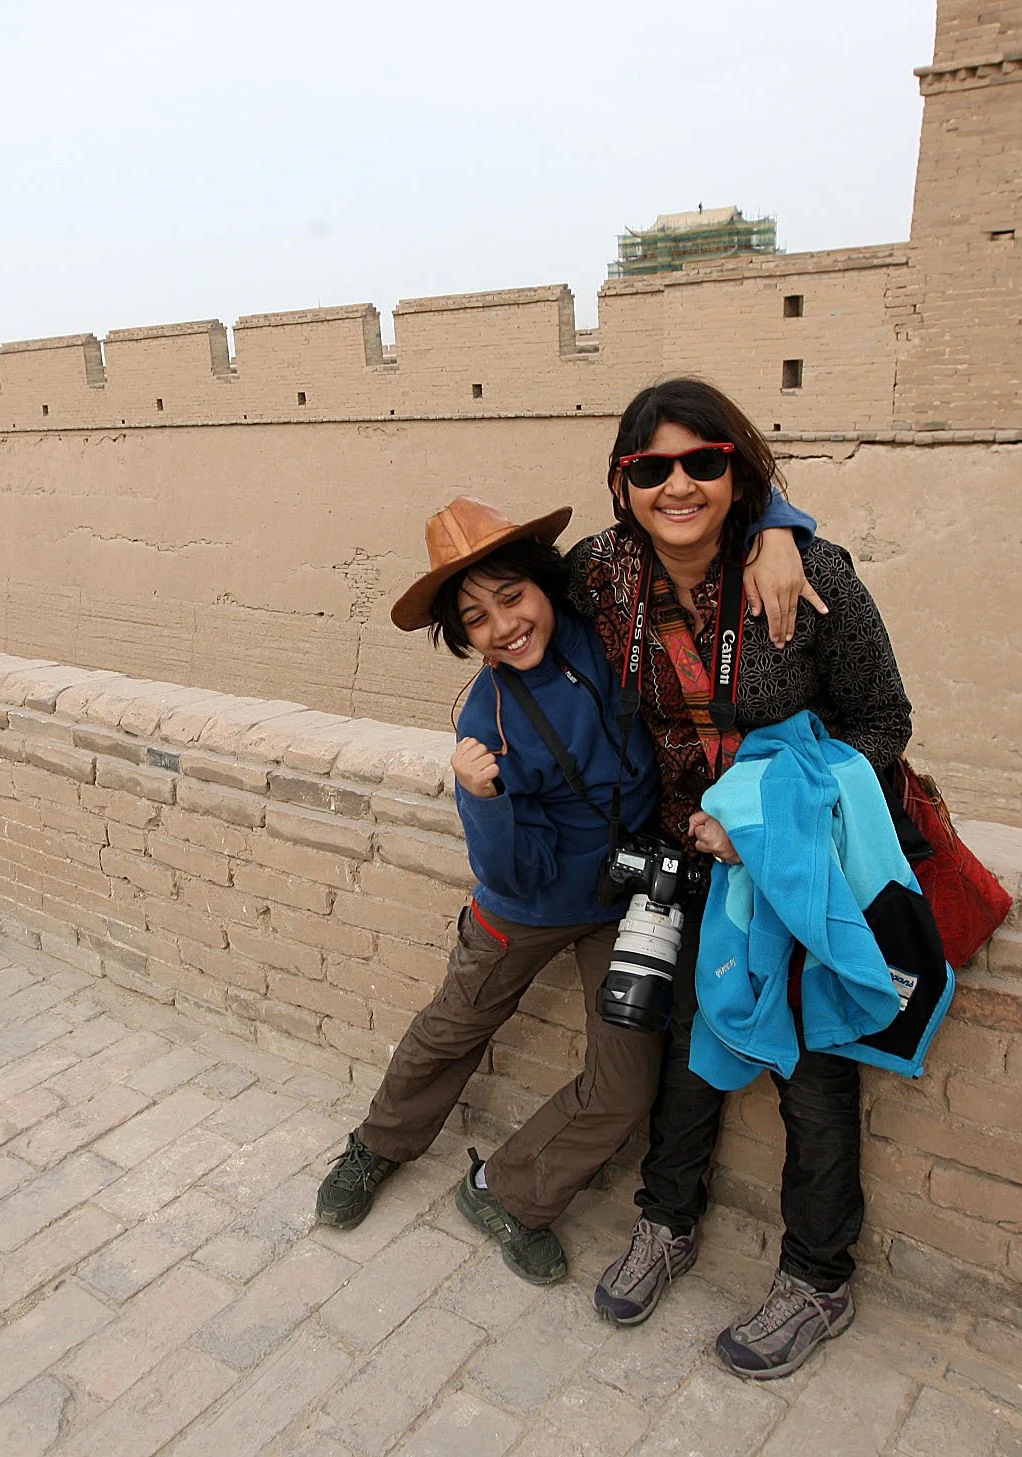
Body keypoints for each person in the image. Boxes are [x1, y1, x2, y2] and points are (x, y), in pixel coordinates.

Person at [314, 492, 812, 1285]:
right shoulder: (486, 719)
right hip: (526, 905)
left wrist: (780, 528)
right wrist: (482, 800)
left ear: (546, 585)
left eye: (511, 596)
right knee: (451, 1030)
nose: (504, 624)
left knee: (624, 1087)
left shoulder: (603, 626)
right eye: (476, 617)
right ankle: (376, 1146)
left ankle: (506, 1191)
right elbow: (512, 872)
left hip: (624, 904)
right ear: (462, 637)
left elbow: (683, 513)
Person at [571, 377, 912, 1379]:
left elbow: (882, 723)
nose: (679, 484)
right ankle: (667, 1220)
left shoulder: (809, 578)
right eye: (651, 468)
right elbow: (506, 613)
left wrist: (764, 826)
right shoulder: (606, 573)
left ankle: (816, 1277)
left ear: (737, 467)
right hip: (679, 857)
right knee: (686, 1046)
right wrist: (472, 737)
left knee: (810, 1072)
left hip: (791, 866)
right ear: (622, 484)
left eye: (705, 463)